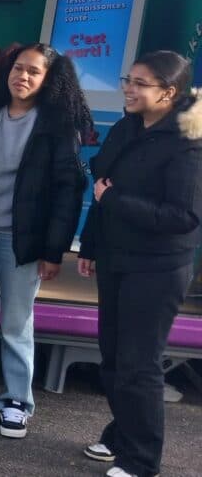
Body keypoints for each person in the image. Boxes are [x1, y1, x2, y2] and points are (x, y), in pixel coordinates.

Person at [77, 51, 202, 477]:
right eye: (128, 79)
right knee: (112, 359)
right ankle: (121, 434)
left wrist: (114, 200)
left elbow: (182, 217)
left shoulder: (189, 142)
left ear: (168, 93)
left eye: (140, 83)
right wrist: (91, 246)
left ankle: (141, 460)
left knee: (138, 363)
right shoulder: (128, 128)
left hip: (158, 266)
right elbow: (100, 187)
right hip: (115, 258)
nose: (129, 88)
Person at [0, 43, 90, 439]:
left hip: (25, 241)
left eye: (34, 72)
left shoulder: (57, 126)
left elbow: (68, 192)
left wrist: (54, 252)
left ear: (49, 80)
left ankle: (17, 399)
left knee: (17, 321)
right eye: (18, 69)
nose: (23, 77)